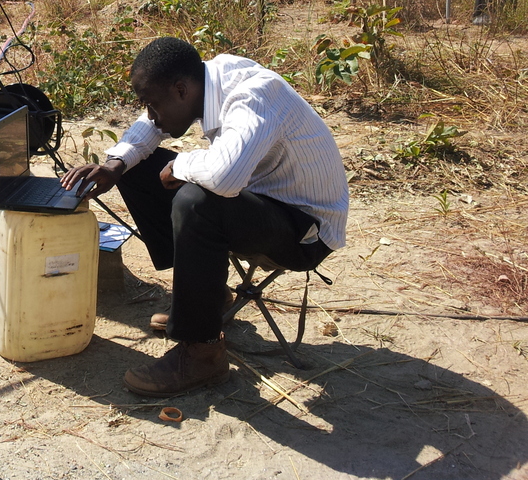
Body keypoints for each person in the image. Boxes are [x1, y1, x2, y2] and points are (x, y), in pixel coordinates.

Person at [60, 37, 349, 397]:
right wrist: (114, 166)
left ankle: (203, 353)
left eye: (152, 105)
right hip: (262, 204)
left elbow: (225, 178)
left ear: (181, 90)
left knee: (196, 200)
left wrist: (181, 165)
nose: (151, 115)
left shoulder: (252, 96)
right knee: (136, 168)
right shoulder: (207, 79)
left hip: (305, 231)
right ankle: (202, 299)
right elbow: (151, 126)